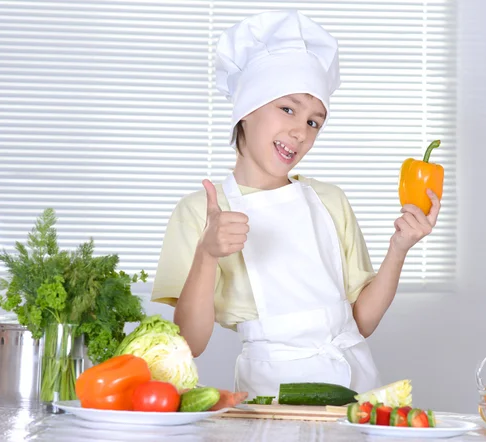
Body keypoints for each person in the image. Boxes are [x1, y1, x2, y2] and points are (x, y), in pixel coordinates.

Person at [151, 10, 441, 399]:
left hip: (354, 385)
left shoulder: (329, 200)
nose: (299, 132)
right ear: (246, 110)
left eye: (314, 122)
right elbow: (191, 342)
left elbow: (362, 321)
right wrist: (207, 253)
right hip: (271, 391)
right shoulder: (199, 212)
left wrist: (399, 249)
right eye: (287, 109)